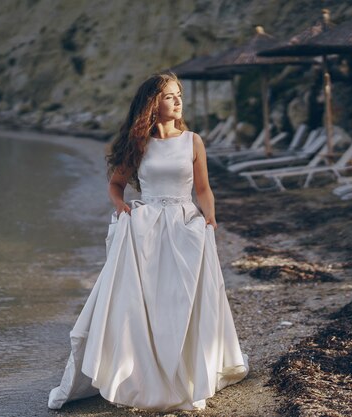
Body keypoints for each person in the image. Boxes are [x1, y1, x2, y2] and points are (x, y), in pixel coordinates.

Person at [48, 72, 248, 412]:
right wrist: (121, 207)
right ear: (153, 104)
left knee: (183, 300)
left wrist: (211, 218)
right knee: (146, 304)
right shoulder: (138, 142)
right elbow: (116, 185)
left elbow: (202, 189)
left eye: (179, 94)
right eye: (170, 96)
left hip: (186, 227)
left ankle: (187, 375)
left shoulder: (193, 141)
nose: (178, 101)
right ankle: (142, 375)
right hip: (147, 229)